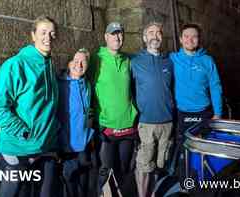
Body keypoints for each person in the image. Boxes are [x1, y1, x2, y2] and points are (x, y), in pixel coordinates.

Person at [0, 16, 60, 197]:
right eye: (43, 32)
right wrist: (25, 132)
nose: (48, 37)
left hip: (46, 149)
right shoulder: (15, 65)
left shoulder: (49, 64)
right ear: (33, 35)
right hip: (17, 150)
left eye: (52, 33)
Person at [88, 22, 138, 195]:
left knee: (123, 170)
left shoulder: (128, 61)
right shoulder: (96, 59)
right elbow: (85, 86)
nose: (117, 37)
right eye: (113, 34)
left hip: (127, 127)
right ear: (106, 37)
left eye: (120, 34)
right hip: (106, 127)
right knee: (105, 171)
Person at [169, 23, 223, 180]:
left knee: (203, 150)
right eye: (186, 36)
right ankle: (185, 182)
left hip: (204, 113)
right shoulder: (173, 59)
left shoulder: (207, 60)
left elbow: (215, 87)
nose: (190, 39)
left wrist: (218, 113)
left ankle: (204, 180)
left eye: (194, 36)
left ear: (199, 40)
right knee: (184, 150)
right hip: (182, 113)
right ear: (180, 39)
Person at [131, 21, 174, 197]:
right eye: (151, 32)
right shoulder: (135, 62)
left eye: (158, 32)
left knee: (161, 164)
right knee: (144, 165)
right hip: (146, 123)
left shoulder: (169, 62)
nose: (155, 36)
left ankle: (154, 194)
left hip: (167, 123)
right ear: (144, 37)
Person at [57, 48, 95, 197]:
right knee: (69, 188)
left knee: (84, 188)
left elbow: (88, 112)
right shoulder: (59, 84)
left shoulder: (87, 85)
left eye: (83, 62)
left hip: (83, 146)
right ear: (69, 63)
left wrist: (89, 132)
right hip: (66, 148)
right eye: (75, 61)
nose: (79, 65)